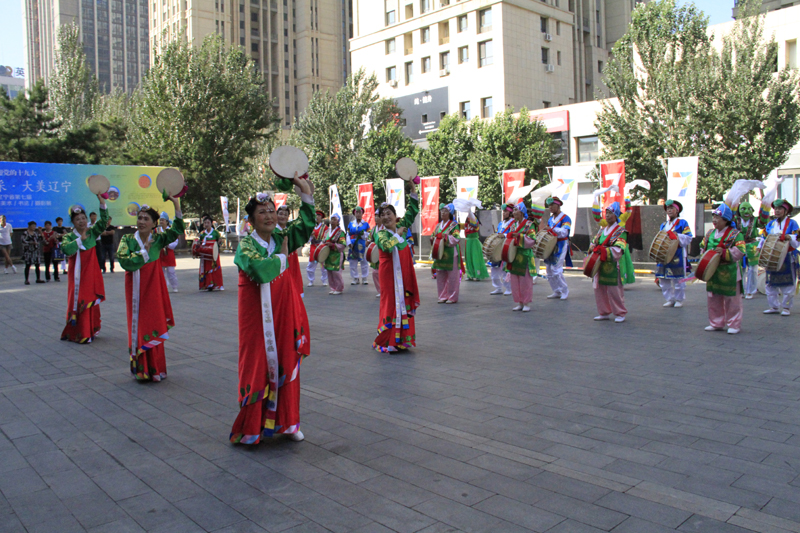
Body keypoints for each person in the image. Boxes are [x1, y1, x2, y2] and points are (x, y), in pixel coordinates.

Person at [229, 174, 315, 444]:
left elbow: (306, 225)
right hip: (257, 319)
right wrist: (282, 258)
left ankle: (288, 422)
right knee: (257, 365)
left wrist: (305, 192)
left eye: (271, 210)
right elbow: (260, 270)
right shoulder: (246, 246)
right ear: (251, 220)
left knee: (286, 358)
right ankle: (252, 426)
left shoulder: (281, 237)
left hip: (283, 313)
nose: (268, 216)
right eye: (262, 212)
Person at [117, 198, 185, 382]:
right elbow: (124, 261)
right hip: (136, 292)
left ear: (154, 224)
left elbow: (177, 230)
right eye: (140, 218)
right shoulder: (127, 239)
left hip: (153, 291)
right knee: (139, 326)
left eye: (146, 219)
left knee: (153, 324)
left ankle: (155, 369)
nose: (141, 221)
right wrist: (144, 252)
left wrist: (176, 205)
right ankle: (142, 369)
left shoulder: (158, 239)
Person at [373, 183, 420, 352]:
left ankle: (402, 340)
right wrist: (398, 235)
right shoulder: (380, 234)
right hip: (389, 276)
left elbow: (412, 211)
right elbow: (386, 246)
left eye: (389, 213)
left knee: (403, 303)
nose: (386, 217)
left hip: (403, 275)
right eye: (382, 215)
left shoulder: (402, 227)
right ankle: (388, 340)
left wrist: (413, 190)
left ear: (395, 215)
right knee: (391, 303)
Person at [61, 196, 108, 343]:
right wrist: (79, 240)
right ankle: (80, 332)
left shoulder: (92, 232)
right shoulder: (69, 237)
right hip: (77, 276)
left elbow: (104, 221)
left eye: (83, 218)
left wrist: (102, 202)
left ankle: (90, 329)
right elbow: (66, 249)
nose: (81, 221)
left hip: (91, 274)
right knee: (78, 299)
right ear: (73, 222)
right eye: (77, 219)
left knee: (89, 299)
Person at [700, 203, 746, 334]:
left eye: (717, 217)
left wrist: (725, 252)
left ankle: (734, 324)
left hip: (729, 271)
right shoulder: (710, 233)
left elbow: (741, 250)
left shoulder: (735, 234)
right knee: (713, 298)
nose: (714, 220)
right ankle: (716, 323)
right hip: (713, 271)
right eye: (713, 217)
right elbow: (702, 246)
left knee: (732, 300)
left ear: (726, 220)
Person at [590, 202, 635, 323]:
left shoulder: (621, 231)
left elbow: (619, 249)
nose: (608, 215)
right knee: (599, 289)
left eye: (610, 213)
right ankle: (604, 312)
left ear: (616, 215)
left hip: (613, 265)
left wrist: (603, 251)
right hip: (600, 264)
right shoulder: (602, 230)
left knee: (614, 290)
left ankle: (620, 313)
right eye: (606, 213)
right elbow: (594, 242)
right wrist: (592, 247)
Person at [760, 199, 799, 316]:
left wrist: (790, 237)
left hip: (788, 256)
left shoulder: (792, 223)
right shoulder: (771, 224)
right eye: (775, 209)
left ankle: (786, 307)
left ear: (786, 211)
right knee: (770, 283)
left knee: (788, 283)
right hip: (771, 256)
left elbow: (797, 238)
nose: (777, 211)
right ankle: (774, 306)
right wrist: (760, 247)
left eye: (780, 208)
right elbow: (764, 237)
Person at [655, 199, 693, 307]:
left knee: (678, 279)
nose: (669, 210)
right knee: (663, 279)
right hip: (664, 254)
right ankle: (670, 299)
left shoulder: (682, 223)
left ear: (677, 210)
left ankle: (679, 299)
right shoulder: (663, 225)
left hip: (677, 254)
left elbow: (689, 237)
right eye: (668, 208)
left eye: (672, 208)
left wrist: (676, 236)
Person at [505, 202, 536, 312]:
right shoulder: (513, 225)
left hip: (525, 255)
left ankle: (526, 302)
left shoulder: (529, 224)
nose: (513, 213)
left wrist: (519, 236)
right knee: (515, 280)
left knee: (525, 281)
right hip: (514, 254)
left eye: (515, 210)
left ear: (522, 212)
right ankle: (519, 302)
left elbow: (532, 239)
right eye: (513, 211)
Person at [431, 203, 461, 304]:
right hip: (440, 254)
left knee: (452, 277)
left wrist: (446, 237)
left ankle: (452, 297)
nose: (443, 213)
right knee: (440, 275)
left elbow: (456, 238)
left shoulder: (454, 225)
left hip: (451, 254)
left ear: (450, 213)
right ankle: (442, 296)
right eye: (442, 211)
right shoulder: (438, 225)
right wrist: (432, 238)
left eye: (445, 211)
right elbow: (433, 235)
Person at [543, 197, 572, 300]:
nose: (550, 207)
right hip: (551, 245)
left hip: (561, 244)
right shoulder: (550, 219)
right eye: (549, 206)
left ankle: (564, 290)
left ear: (558, 205)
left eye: (552, 205)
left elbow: (565, 232)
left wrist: (552, 229)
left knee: (556, 269)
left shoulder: (565, 218)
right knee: (548, 269)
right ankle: (556, 291)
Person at [277, 204, 306, 297]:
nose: (283, 217)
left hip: (291, 257)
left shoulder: (291, 228)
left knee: (293, 276)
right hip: (279, 257)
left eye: (285, 215)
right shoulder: (273, 229)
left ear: (288, 217)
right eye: (280, 214)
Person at [735, 202, 762, 299]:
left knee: (753, 269)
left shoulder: (755, 220)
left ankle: (751, 291)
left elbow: (764, 222)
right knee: (740, 269)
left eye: (749, 209)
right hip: (739, 245)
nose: (746, 211)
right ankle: (741, 290)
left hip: (752, 246)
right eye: (743, 209)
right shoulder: (736, 220)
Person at [490, 204, 513, 295]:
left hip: (506, 248)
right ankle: (498, 287)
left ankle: (509, 288)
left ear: (510, 213)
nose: (504, 213)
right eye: (503, 212)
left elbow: (513, 234)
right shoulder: (501, 223)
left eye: (506, 211)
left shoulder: (513, 223)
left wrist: (505, 235)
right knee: (494, 268)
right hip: (498, 248)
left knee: (505, 269)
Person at [197, 214, 224, 291]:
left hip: (214, 254)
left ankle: (218, 285)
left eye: (208, 222)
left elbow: (220, 242)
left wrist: (220, 242)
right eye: (205, 223)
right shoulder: (202, 233)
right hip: (205, 254)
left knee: (216, 268)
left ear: (211, 223)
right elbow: (199, 243)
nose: (206, 224)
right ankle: (208, 284)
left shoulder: (216, 233)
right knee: (206, 269)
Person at [322, 214, 347, 295]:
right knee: (329, 272)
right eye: (331, 219)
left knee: (336, 272)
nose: (332, 221)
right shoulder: (326, 232)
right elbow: (323, 241)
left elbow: (342, 244)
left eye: (334, 220)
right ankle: (333, 288)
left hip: (337, 255)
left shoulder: (340, 233)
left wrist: (332, 245)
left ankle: (339, 288)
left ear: (338, 222)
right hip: (328, 255)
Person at [463, 211, 490, 281]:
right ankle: (470, 275)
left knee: (476, 259)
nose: (469, 217)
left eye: (470, 216)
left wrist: (472, 216)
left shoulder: (475, 223)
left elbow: (475, 225)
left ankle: (478, 275)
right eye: (468, 216)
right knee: (468, 259)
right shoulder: (466, 224)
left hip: (474, 242)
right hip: (468, 242)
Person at [348, 206, 371, 285]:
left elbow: (369, 234)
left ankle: (364, 277)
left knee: (364, 261)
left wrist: (364, 234)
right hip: (353, 244)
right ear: (354, 214)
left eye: (359, 212)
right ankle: (355, 278)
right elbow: (348, 234)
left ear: (362, 214)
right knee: (352, 262)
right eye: (356, 213)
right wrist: (349, 243)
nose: (358, 214)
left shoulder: (366, 224)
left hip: (362, 243)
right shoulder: (351, 224)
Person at [306, 210, 329, 287]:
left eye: (319, 215)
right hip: (313, 247)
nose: (317, 217)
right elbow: (308, 240)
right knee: (310, 265)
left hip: (321, 246)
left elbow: (327, 237)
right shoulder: (311, 226)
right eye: (316, 215)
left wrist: (324, 243)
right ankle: (311, 280)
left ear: (321, 217)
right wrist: (310, 235)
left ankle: (324, 280)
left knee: (323, 265)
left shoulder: (325, 227)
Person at [158, 214, 180, 292]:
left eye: (163, 220)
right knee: (161, 272)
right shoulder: (158, 231)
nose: (161, 222)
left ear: (167, 221)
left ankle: (174, 286)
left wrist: (168, 245)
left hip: (169, 253)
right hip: (160, 253)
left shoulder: (171, 231)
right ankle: (164, 286)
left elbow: (175, 242)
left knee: (171, 271)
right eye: (160, 220)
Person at [368, 210, 384, 298]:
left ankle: (385, 291)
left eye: (378, 216)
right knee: (375, 273)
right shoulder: (373, 229)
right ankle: (380, 290)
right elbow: (370, 239)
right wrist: (368, 242)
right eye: (375, 216)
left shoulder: (385, 228)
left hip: (383, 253)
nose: (376, 218)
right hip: (375, 253)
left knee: (383, 273)